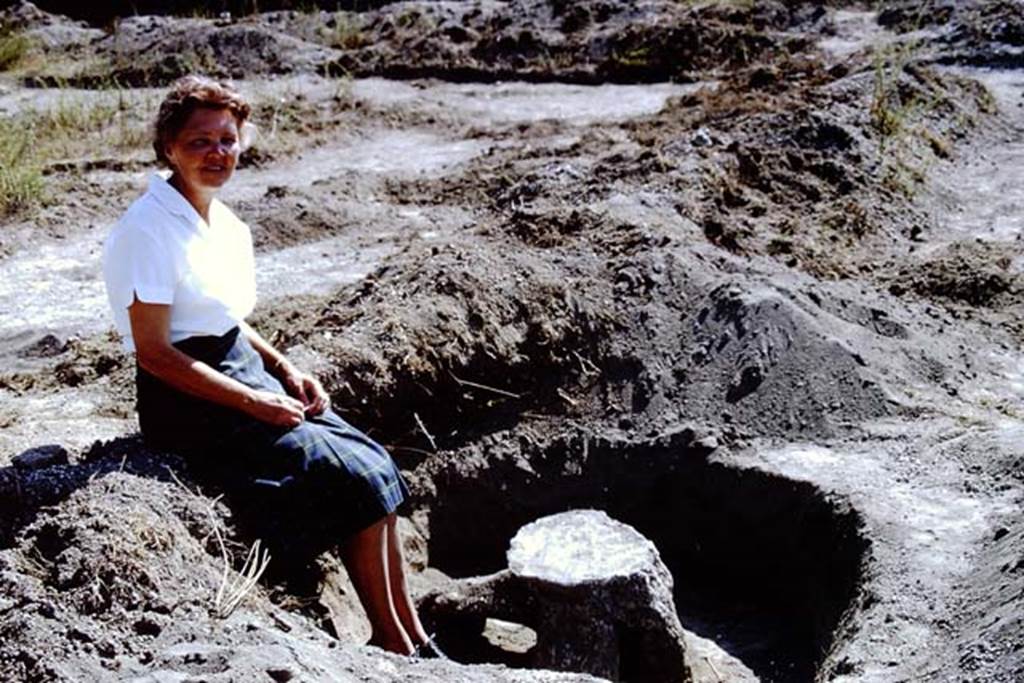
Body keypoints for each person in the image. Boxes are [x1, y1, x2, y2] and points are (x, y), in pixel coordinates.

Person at [102, 75, 440, 658]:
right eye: (200, 141)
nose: (216, 154)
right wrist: (253, 401)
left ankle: (411, 634)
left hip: (237, 368)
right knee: (353, 480)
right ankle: (391, 640)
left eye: (227, 140)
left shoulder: (223, 222)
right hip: (187, 398)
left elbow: (224, 315)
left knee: (377, 463)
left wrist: (284, 368)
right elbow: (155, 352)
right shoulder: (146, 229)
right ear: (168, 147)